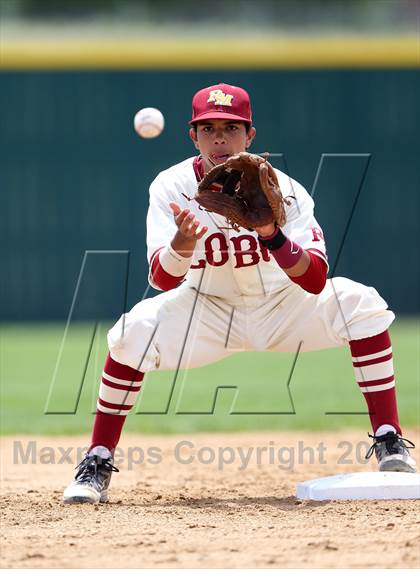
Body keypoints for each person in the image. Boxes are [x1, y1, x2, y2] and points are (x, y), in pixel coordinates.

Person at [63, 83, 416, 504]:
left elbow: (316, 280)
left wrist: (271, 233)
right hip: (205, 308)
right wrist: (181, 244)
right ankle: (98, 460)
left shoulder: (284, 189)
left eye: (231, 128)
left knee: (361, 303)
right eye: (208, 128)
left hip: (283, 304)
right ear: (192, 136)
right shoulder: (170, 186)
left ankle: (389, 438)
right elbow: (161, 279)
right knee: (130, 333)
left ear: (250, 135)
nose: (219, 138)